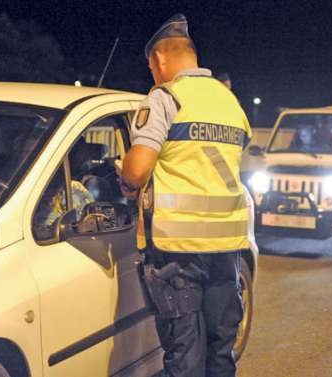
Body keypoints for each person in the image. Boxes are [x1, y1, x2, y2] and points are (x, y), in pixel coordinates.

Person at [120, 14, 252, 377]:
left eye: (151, 65)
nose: (152, 73)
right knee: (219, 352)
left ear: (159, 59)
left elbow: (136, 170)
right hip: (226, 249)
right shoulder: (229, 102)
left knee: (185, 356)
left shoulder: (165, 97)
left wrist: (125, 179)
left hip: (178, 252)